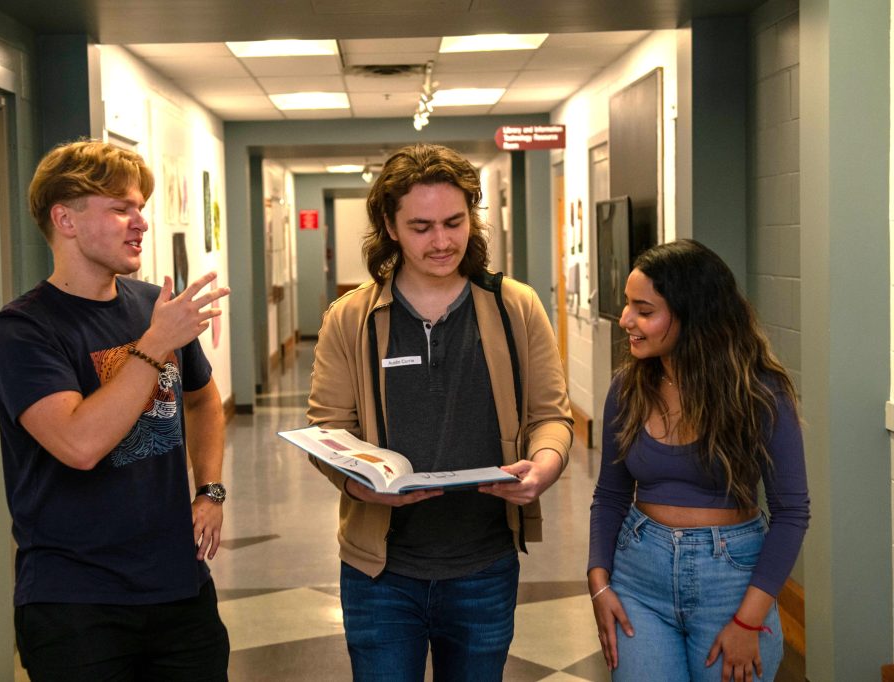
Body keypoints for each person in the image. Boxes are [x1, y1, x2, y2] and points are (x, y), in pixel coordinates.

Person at [307, 143, 574, 681]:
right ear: (389, 224)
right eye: (422, 226)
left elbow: (551, 415)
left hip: (484, 563)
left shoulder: (514, 306)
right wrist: (357, 482)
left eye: (455, 222)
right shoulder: (351, 318)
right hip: (379, 571)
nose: (442, 241)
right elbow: (327, 428)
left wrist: (544, 465)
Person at [0, 140, 232, 681]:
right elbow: (79, 445)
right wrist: (154, 345)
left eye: (140, 207)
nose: (139, 221)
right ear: (65, 219)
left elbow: (203, 397)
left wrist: (209, 491)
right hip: (77, 602)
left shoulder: (152, 306)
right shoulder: (22, 331)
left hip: (179, 590)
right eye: (120, 207)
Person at [587, 239, 810, 682]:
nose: (626, 320)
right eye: (628, 305)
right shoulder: (627, 388)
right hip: (639, 580)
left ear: (693, 316)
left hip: (732, 584)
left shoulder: (760, 392)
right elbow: (610, 494)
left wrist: (749, 621)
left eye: (644, 310)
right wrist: (599, 584)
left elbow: (791, 514)